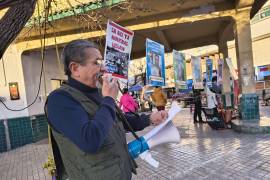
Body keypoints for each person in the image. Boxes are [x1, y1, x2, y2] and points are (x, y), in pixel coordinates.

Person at [46, 40, 168, 180]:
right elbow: (90, 140)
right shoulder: (60, 100)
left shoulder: (98, 92)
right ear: (75, 68)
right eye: (96, 62)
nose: (103, 68)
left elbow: (117, 120)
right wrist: (109, 99)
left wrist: (150, 118)